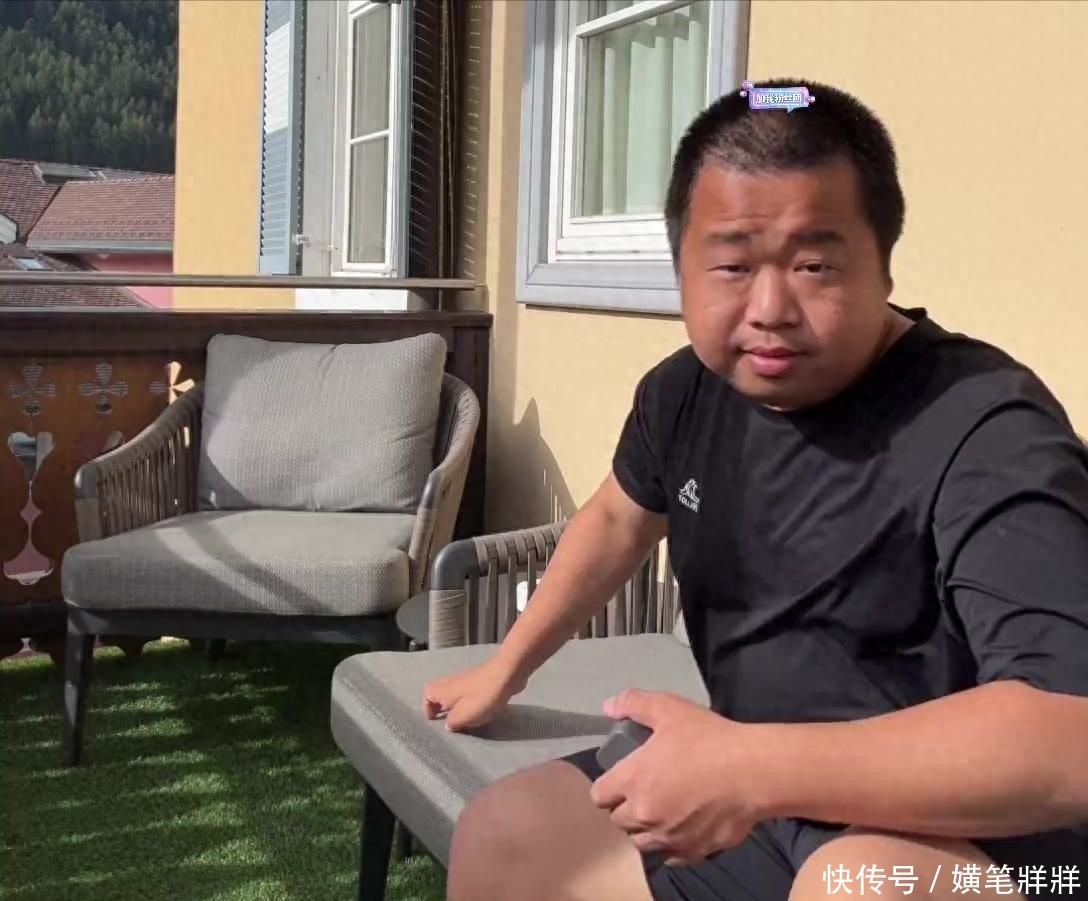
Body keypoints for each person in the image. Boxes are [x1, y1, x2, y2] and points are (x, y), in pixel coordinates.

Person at [422, 78, 1088, 901]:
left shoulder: (986, 425)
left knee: (856, 887)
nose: (771, 307)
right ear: (681, 268)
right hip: (762, 791)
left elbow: (1068, 739)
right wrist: (506, 667)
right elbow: (617, 519)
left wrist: (752, 767)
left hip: (962, 838)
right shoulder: (683, 394)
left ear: (883, 264)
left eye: (815, 265)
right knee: (509, 834)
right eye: (734, 265)